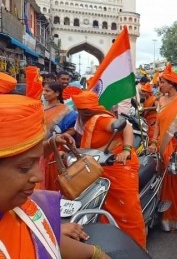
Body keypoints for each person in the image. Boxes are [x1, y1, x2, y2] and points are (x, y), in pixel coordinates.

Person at [0, 93, 109, 259]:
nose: (39, 176)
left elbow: (42, 239)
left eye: (38, 161)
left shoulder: (21, 208)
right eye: (24, 168)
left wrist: (94, 253)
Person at [72, 91, 146, 248]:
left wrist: (126, 149)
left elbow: (125, 126)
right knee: (103, 207)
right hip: (101, 168)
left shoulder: (101, 120)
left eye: (78, 109)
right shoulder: (89, 122)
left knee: (128, 211)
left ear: (83, 110)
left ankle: (137, 249)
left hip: (120, 166)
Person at [148, 63, 177, 232]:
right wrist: (153, 142)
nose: (159, 85)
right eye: (159, 82)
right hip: (163, 147)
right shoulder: (160, 100)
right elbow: (158, 125)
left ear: (171, 84)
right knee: (165, 183)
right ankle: (168, 218)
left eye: (162, 82)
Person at [42, 82, 77, 190]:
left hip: (56, 148)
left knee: (54, 176)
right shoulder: (40, 107)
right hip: (41, 148)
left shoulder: (66, 110)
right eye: (43, 90)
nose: (44, 93)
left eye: (47, 91)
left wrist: (59, 136)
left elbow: (73, 130)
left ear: (57, 93)